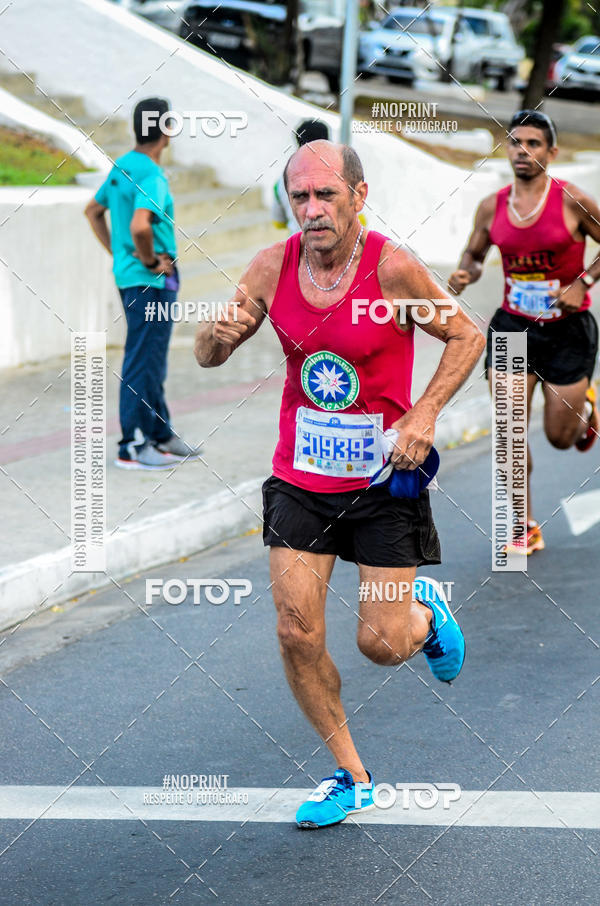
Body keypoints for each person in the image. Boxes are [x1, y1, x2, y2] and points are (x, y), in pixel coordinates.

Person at [195, 139, 485, 828]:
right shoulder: (272, 266)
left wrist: (425, 412)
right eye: (300, 196)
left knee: (381, 646)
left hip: (386, 479)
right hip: (300, 478)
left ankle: (425, 617)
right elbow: (209, 356)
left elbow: (468, 335)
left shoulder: (393, 267)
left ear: (359, 196)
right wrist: (215, 334)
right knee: (296, 631)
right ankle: (350, 776)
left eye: (326, 195)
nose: (313, 209)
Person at [449, 109, 599, 554]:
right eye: (515, 142)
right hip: (514, 327)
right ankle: (524, 522)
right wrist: (465, 272)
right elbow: (474, 253)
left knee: (559, 436)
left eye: (533, 143)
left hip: (568, 330)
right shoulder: (491, 207)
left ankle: (586, 412)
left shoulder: (572, 200)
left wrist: (584, 282)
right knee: (510, 430)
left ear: (551, 153)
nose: (523, 150)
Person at [85, 96, 198, 470]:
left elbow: (93, 211)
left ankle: (159, 433)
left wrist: (120, 256)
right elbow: (139, 225)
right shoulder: (151, 173)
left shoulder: (123, 166)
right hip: (151, 281)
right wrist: (149, 261)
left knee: (151, 358)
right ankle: (133, 445)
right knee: (142, 359)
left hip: (131, 278)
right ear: (166, 130)